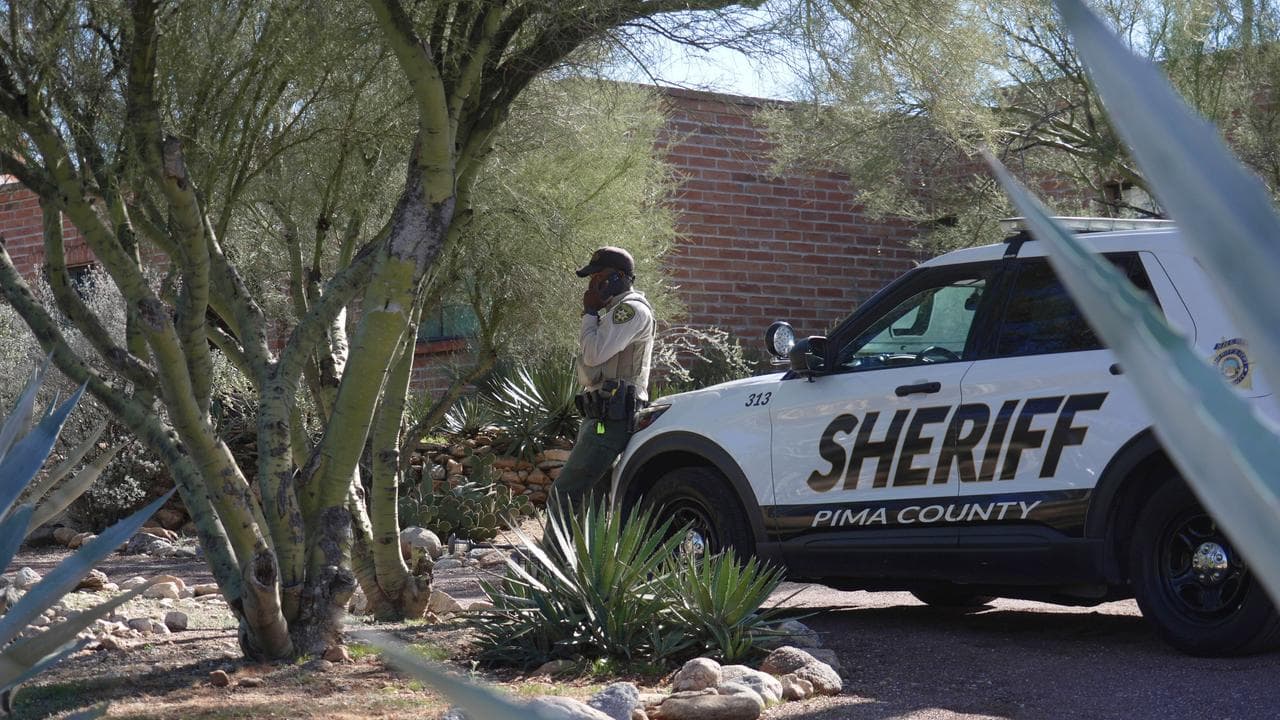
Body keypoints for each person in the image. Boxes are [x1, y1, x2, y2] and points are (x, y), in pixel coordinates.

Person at [550, 246, 656, 513]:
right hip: (602, 413)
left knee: (565, 492)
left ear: (620, 276)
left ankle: (553, 555)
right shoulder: (613, 311)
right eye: (591, 276)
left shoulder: (629, 311)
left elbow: (594, 354)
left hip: (612, 417)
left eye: (599, 275)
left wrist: (589, 314)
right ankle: (585, 555)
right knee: (593, 500)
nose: (593, 282)